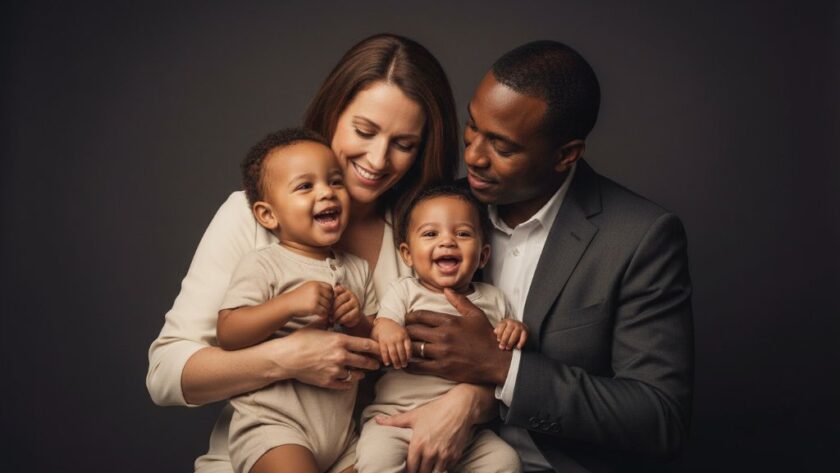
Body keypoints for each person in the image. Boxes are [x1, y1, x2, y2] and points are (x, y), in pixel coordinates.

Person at [146, 34, 497, 473]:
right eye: (364, 131)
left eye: (403, 144)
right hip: (262, 453)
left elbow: (478, 358)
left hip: (369, 456)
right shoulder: (252, 216)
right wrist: (291, 356)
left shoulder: (428, 237)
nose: (377, 158)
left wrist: (468, 400)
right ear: (333, 114)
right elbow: (166, 374)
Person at [380, 40, 694, 472]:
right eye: (472, 127)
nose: (472, 155)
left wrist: (502, 368)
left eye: (502, 147)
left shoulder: (638, 237)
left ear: (566, 155)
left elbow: (659, 418)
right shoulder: (440, 214)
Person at [217, 128, 377, 473]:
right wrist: (287, 304)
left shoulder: (358, 269)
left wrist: (360, 321)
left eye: (335, 182)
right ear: (268, 215)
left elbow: (379, 348)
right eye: (306, 186)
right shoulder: (264, 263)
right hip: (274, 428)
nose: (327, 193)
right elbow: (228, 332)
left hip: (341, 437)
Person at [356, 185, 526, 473]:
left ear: (483, 255)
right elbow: (382, 326)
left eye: (462, 233)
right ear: (407, 254)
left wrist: (513, 329)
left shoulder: (494, 299)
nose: (447, 242)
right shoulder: (404, 291)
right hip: (395, 420)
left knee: (505, 462)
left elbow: (503, 352)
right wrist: (387, 330)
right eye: (431, 234)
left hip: (467, 431)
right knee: (376, 460)